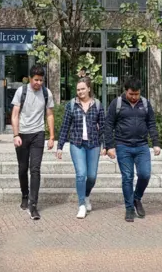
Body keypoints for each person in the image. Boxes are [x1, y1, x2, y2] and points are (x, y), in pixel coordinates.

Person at [104, 77, 161, 222]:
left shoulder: (145, 103)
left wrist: (156, 143)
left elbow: (151, 124)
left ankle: (137, 198)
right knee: (127, 177)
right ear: (126, 91)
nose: (134, 97)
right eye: (131, 94)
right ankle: (129, 208)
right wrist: (109, 145)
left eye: (137, 94)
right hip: (123, 146)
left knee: (145, 174)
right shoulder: (116, 104)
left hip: (142, 146)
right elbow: (108, 125)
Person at [56, 77, 106, 219]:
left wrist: (105, 145)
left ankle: (87, 195)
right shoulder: (71, 105)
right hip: (77, 144)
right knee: (81, 174)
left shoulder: (97, 104)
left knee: (91, 176)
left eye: (83, 88)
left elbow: (103, 127)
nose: (80, 92)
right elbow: (65, 126)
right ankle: (81, 205)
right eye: (78, 89)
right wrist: (60, 146)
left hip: (93, 144)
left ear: (89, 88)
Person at [11, 65, 55, 220]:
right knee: (23, 168)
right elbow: (15, 114)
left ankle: (33, 205)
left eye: (41, 80)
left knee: (35, 169)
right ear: (30, 78)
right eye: (36, 80)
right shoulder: (21, 92)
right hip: (22, 134)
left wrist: (51, 136)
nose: (38, 83)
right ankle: (25, 194)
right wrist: (16, 134)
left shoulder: (46, 93)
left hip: (38, 134)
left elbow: (49, 114)